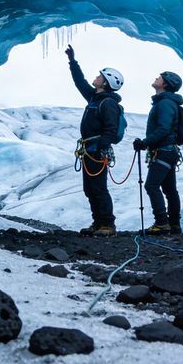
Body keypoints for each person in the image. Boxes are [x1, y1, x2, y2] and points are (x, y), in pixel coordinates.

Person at [65, 44, 124, 237]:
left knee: (98, 187)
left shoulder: (108, 103)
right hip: (89, 149)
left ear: (106, 83)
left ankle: (107, 224)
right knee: (90, 188)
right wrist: (72, 62)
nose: (96, 77)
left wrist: (101, 147)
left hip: (96, 149)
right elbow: (79, 82)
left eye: (100, 76)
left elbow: (111, 129)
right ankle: (98, 223)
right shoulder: (94, 98)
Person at [133, 71, 183, 235]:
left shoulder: (164, 104)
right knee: (170, 190)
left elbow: (163, 128)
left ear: (166, 83)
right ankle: (174, 225)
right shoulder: (166, 103)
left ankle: (162, 223)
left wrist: (144, 142)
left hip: (163, 151)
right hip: (168, 152)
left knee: (151, 185)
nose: (156, 77)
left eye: (160, 77)